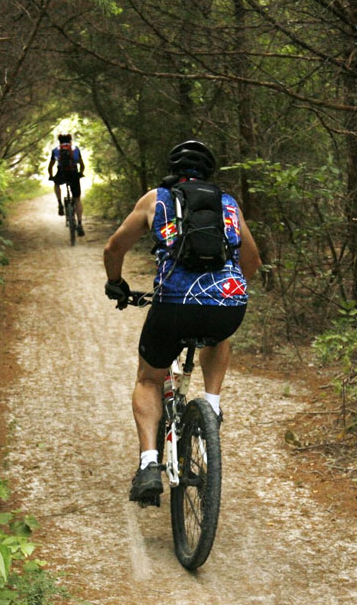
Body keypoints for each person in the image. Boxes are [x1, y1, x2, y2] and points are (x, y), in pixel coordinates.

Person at [103, 139, 261, 505]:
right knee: (217, 337)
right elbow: (251, 263)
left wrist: (116, 283)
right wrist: (225, 292)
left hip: (173, 305)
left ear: (174, 169)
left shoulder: (156, 199)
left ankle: (147, 464)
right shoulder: (228, 204)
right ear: (209, 172)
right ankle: (212, 403)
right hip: (228, 304)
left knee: (148, 378)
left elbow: (114, 247)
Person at [48, 132, 86, 236]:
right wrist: (80, 173)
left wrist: (51, 176)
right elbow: (82, 164)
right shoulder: (75, 149)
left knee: (56, 184)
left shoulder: (56, 150)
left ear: (59, 141)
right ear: (70, 140)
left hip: (61, 173)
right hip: (73, 173)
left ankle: (60, 203)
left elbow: (50, 166)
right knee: (77, 199)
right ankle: (79, 224)